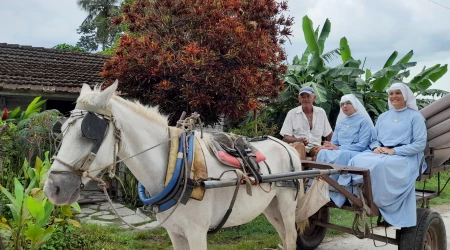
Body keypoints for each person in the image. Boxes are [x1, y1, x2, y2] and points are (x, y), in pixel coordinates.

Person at [347, 82, 427, 227]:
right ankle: (359, 196)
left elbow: (420, 144)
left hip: (406, 155)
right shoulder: (383, 116)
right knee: (356, 159)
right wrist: (376, 147)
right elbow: (374, 139)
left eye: (398, 93)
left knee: (381, 164)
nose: (394, 96)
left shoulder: (416, 117)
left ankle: (383, 203)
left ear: (405, 96)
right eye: (391, 93)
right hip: (382, 152)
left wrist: (394, 151)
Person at [315, 94, 374, 207]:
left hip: (357, 152)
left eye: (348, 103)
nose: (345, 106)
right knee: (322, 152)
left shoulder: (364, 121)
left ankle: (340, 194)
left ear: (355, 105)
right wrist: (329, 145)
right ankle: (320, 189)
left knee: (343, 154)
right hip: (340, 150)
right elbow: (335, 142)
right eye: (342, 104)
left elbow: (362, 145)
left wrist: (339, 148)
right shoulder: (341, 123)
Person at [280, 86, 333, 160]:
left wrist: (332, 146)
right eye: (303, 97)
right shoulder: (292, 113)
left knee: (322, 152)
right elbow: (285, 138)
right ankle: (300, 171)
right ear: (299, 99)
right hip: (297, 146)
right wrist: (297, 140)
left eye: (308, 96)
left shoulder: (321, 112)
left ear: (314, 98)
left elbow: (329, 133)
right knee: (300, 147)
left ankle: (317, 171)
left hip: (315, 146)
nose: (305, 99)